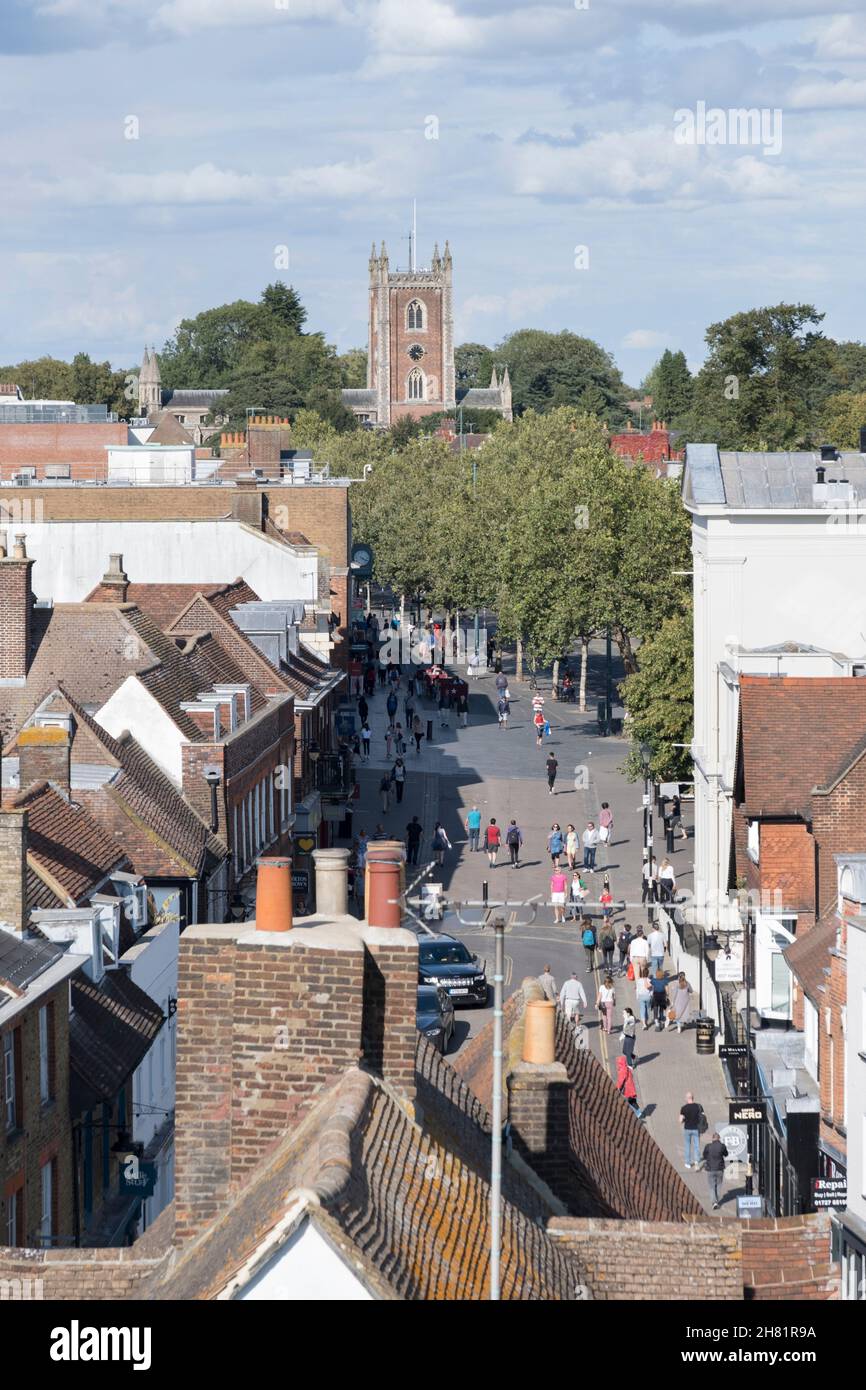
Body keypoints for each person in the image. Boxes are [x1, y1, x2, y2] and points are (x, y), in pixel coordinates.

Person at [703, 1132, 728, 1209]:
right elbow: (726, 1154)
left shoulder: (708, 1146)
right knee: (719, 1185)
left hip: (710, 1169)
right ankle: (716, 1200)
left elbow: (704, 1155)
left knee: (711, 1186)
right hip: (720, 1169)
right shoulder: (722, 1146)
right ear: (719, 1138)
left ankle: (714, 1202)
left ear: (712, 1138)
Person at [679, 1091, 704, 1170]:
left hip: (687, 1129)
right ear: (693, 1098)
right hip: (696, 1129)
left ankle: (688, 1163)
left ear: (687, 1098)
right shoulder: (698, 1106)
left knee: (687, 1145)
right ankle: (696, 1161)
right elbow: (703, 1116)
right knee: (696, 1145)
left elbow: (680, 1120)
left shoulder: (684, 1108)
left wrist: (684, 1120)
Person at [615, 1054, 644, 1120]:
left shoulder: (622, 1070)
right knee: (632, 1100)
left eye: (618, 1063)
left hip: (627, 1088)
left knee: (630, 1101)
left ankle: (638, 1114)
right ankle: (639, 1113)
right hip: (631, 1087)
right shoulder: (627, 1068)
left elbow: (621, 1080)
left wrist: (618, 1087)